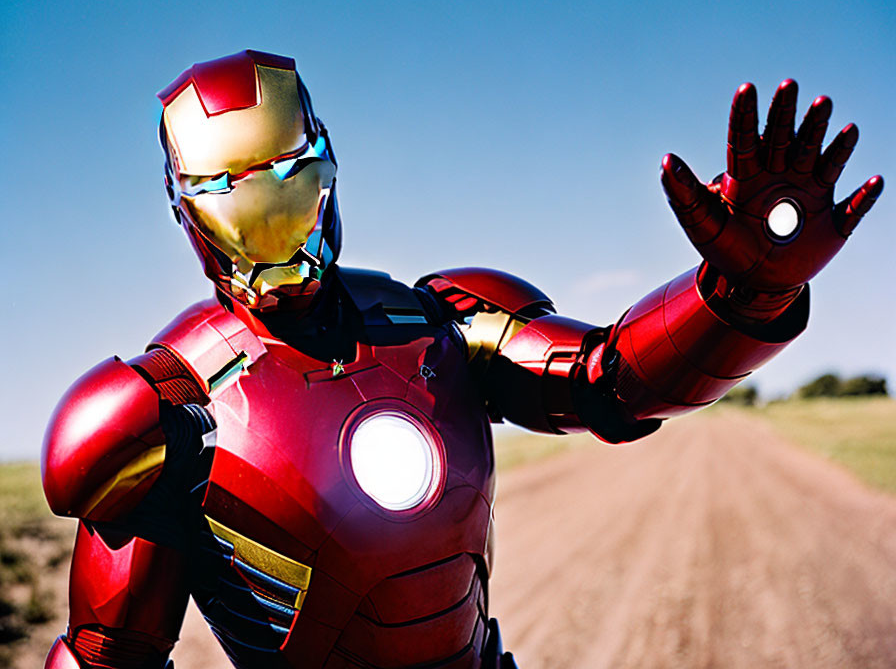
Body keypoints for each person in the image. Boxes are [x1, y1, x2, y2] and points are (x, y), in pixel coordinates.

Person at [41, 50, 883, 669]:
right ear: (190, 218)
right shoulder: (166, 410)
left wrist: (738, 297)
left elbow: (612, 381)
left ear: (327, 174)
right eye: (241, 211)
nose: (279, 242)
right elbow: (106, 658)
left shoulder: (437, 320)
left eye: (292, 191)